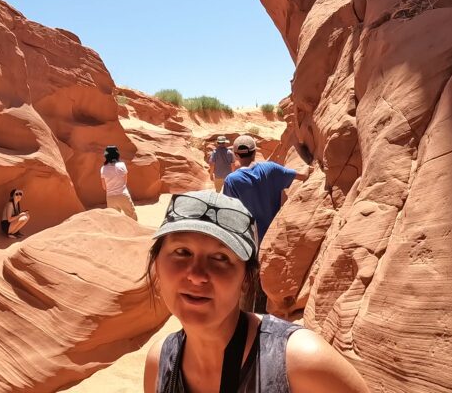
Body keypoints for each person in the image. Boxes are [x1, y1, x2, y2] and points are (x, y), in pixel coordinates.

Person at [142, 190, 368, 393]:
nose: (197, 275)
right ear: (156, 264)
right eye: (182, 251)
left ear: (246, 279)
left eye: (221, 258)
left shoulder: (299, 362)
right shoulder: (161, 362)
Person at [222, 135, 312, 313]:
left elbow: (227, 213)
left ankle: (245, 323)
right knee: (265, 288)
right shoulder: (271, 169)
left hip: (247, 243)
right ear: (255, 153)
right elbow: (303, 175)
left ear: (236, 155)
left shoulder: (232, 181)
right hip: (272, 241)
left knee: (246, 288)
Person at [101, 145, 137, 219]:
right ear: (117, 154)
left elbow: (104, 187)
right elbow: (125, 181)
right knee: (132, 217)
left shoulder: (103, 169)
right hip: (123, 194)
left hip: (110, 197)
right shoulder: (122, 165)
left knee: (114, 220)